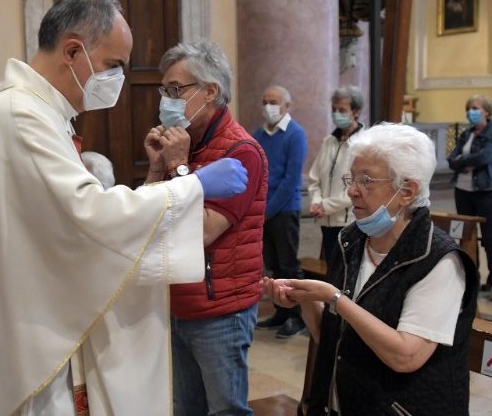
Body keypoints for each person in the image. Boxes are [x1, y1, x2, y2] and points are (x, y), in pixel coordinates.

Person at [0, 0, 248, 416]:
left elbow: (65, 225)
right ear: (72, 51)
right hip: (28, 338)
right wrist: (193, 184)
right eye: (113, 65)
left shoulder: (33, 112)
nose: (120, 79)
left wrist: (158, 179)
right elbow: (89, 216)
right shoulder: (21, 116)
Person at [264, 123, 478, 415]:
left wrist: (336, 299)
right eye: (351, 178)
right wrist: (304, 302)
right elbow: (330, 339)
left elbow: (406, 356)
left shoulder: (439, 260)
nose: (352, 191)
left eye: (367, 180)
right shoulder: (350, 240)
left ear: (407, 191)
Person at [146, 42, 267, 416]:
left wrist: (179, 166)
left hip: (220, 309)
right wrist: (156, 167)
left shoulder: (242, 152)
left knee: (225, 410)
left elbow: (202, 232)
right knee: (187, 409)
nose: (167, 100)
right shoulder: (190, 145)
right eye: (164, 91)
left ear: (210, 91)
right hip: (179, 300)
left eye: (176, 90)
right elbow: (147, 220)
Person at [252, 85, 308, 338]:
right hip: (264, 210)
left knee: (288, 265)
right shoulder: (259, 135)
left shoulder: (295, 134)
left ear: (287, 105)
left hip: (284, 210)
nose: (268, 106)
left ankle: (296, 317)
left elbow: (290, 180)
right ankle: (280, 312)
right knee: (272, 266)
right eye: (265, 101)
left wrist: (267, 210)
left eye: (273, 102)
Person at [447, 94, 492, 301]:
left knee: (490, 237)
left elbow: (484, 158)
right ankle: (473, 278)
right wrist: (464, 162)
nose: (471, 111)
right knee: (467, 237)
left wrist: (464, 160)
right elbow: (451, 159)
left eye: (476, 108)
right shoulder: (465, 133)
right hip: (462, 190)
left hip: (486, 190)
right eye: (469, 108)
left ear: (486, 111)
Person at [308, 85, 364, 263]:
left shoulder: (364, 143)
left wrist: (326, 205)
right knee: (331, 269)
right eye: (333, 109)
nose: (336, 114)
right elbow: (314, 178)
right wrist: (317, 202)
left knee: (347, 271)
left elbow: (359, 186)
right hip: (326, 221)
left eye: (342, 110)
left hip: (349, 221)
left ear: (356, 112)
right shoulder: (329, 141)